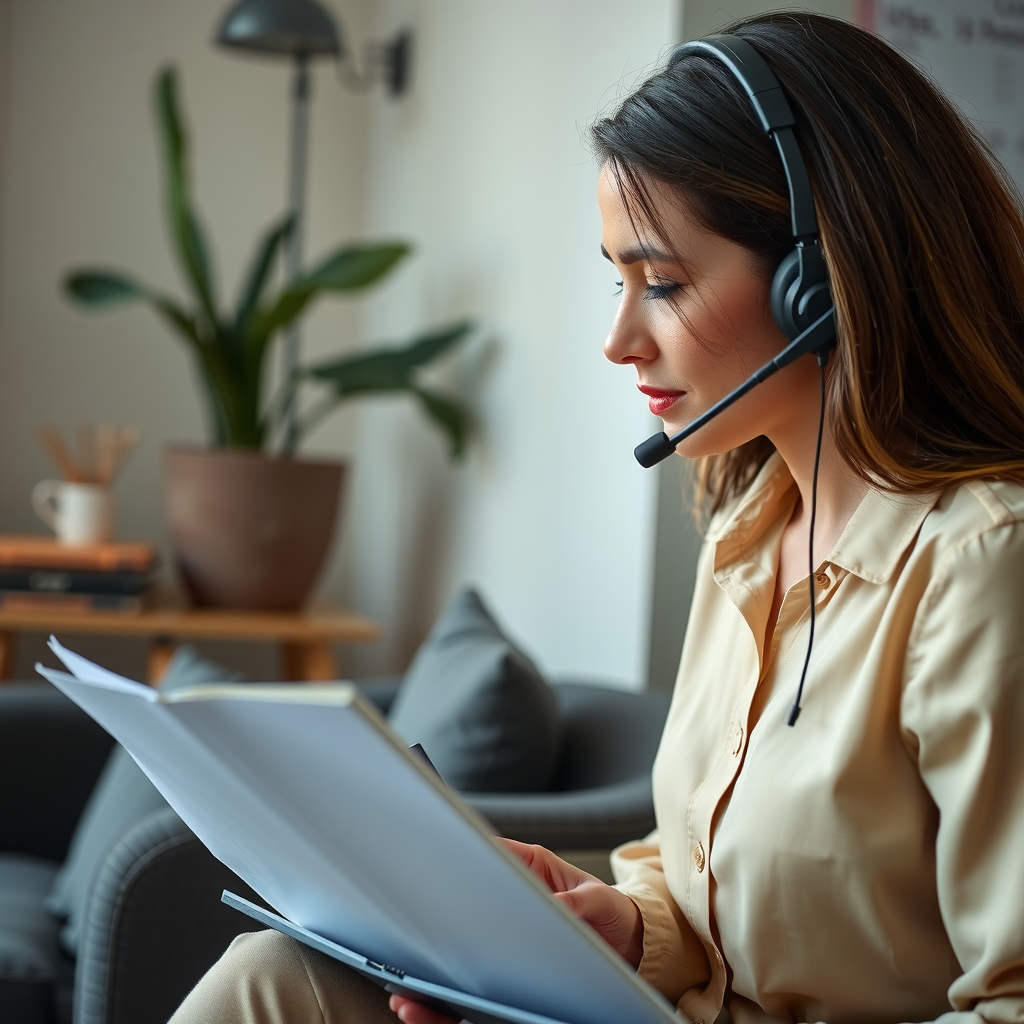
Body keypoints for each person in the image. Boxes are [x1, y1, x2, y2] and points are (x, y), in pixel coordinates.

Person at [169, 11, 1024, 1024]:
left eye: (660, 283)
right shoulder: (750, 535)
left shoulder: (981, 568)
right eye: (616, 280)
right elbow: (708, 892)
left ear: (820, 286)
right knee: (271, 974)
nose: (618, 339)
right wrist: (620, 922)